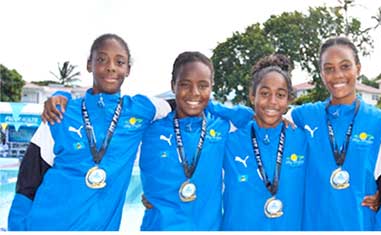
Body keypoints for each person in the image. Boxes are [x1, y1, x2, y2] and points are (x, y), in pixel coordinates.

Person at [7, 34, 172, 231]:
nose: (111, 67)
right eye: (101, 59)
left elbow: (186, 103)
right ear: (89, 64)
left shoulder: (140, 109)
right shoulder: (60, 114)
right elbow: (28, 181)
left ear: (128, 70)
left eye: (119, 62)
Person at [292, 36, 381, 231]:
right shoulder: (302, 117)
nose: (337, 75)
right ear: (321, 74)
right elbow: (264, 118)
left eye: (345, 66)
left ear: (358, 68)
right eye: (329, 68)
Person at [138, 51, 241, 230]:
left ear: (211, 87)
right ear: (173, 85)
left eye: (203, 86)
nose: (194, 93)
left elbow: (255, 120)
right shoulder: (150, 128)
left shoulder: (222, 127)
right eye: (185, 85)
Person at [221, 54, 308, 230]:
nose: (272, 101)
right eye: (265, 93)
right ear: (252, 97)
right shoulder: (229, 140)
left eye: (280, 95)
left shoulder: (303, 140)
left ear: (288, 100)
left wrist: (375, 192)